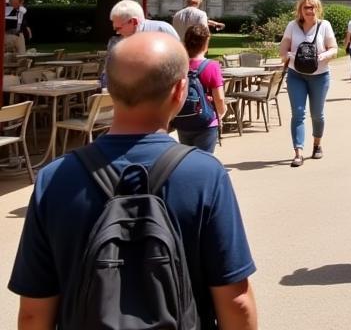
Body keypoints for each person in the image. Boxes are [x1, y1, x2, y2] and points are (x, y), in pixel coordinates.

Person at [8, 32, 257, 329]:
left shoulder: (54, 178)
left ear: (108, 88)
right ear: (180, 91)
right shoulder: (204, 174)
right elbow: (236, 301)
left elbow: (34, 312)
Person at [280, 0, 337, 167]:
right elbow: (282, 51)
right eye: (306, 7)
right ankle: (298, 152)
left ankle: (317, 144)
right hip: (296, 75)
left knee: (317, 115)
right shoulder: (292, 26)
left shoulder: (324, 26)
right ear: (300, 9)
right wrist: (288, 55)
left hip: (320, 76)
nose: (309, 10)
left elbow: (334, 48)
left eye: (312, 7)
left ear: (317, 8)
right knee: (298, 113)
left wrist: (324, 55)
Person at [176, 23, 226, 153]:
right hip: (206, 122)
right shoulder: (212, 66)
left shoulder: (179, 65)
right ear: (205, 43)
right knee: (204, 160)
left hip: (183, 120)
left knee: (186, 159)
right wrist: (221, 113)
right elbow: (219, 98)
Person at [110, 0, 178, 38]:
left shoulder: (162, 29)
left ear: (134, 22)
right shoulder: (122, 40)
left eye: (118, 28)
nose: (117, 33)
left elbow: (179, 57)